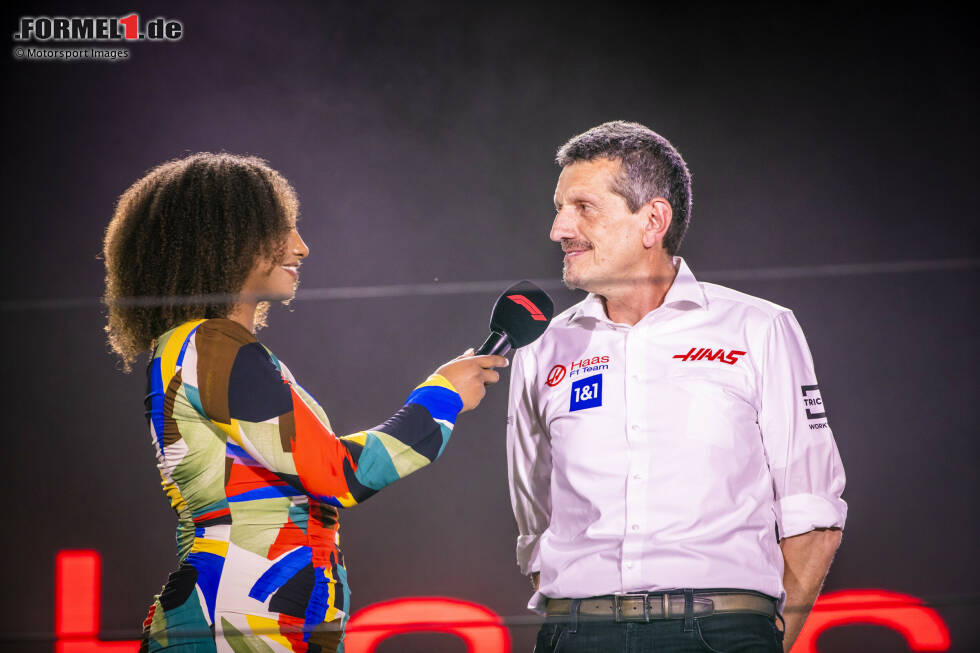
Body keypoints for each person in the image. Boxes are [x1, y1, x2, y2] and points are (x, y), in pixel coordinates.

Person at [102, 152, 507, 652]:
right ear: (224, 237)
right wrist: (440, 398)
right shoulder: (211, 345)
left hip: (266, 618)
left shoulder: (214, 348)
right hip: (234, 622)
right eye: (282, 229)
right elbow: (337, 476)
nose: (302, 247)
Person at [507, 121, 846, 652]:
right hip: (576, 634)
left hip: (725, 634)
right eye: (559, 208)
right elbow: (534, 528)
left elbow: (813, 513)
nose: (558, 229)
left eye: (583, 207)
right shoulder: (540, 346)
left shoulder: (759, 327)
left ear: (653, 221)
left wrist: (762, 642)